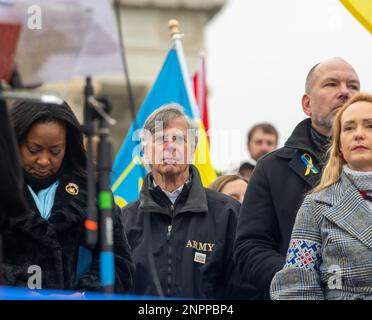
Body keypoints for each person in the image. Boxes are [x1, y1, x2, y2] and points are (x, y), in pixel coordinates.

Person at [234, 57, 360, 299]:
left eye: (353, 86)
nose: (344, 92)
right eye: (331, 84)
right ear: (307, 104)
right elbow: (250, 248)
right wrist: (302, 283)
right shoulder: (272, 169)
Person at [6, 100, 135, 292]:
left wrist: (85, 294)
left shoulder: (95, 192)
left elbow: (118, 263)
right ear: (14, 143)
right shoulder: (4, 191)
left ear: (68, 146)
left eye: (55, 151)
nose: (43, 161)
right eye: (34, 150)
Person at [121, 103, 240, 299]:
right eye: (160, 140)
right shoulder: (123, 220)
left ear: (192, 150)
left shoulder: (228, 213)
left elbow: (243, 288)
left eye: (179, 139)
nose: (170, 147)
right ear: (145, 152)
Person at [271, 93, 372, 300]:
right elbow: (295, 285)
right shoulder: (317, 205)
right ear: (340, 146)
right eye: (349, 127)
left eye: (370, 125)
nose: (359, 134)